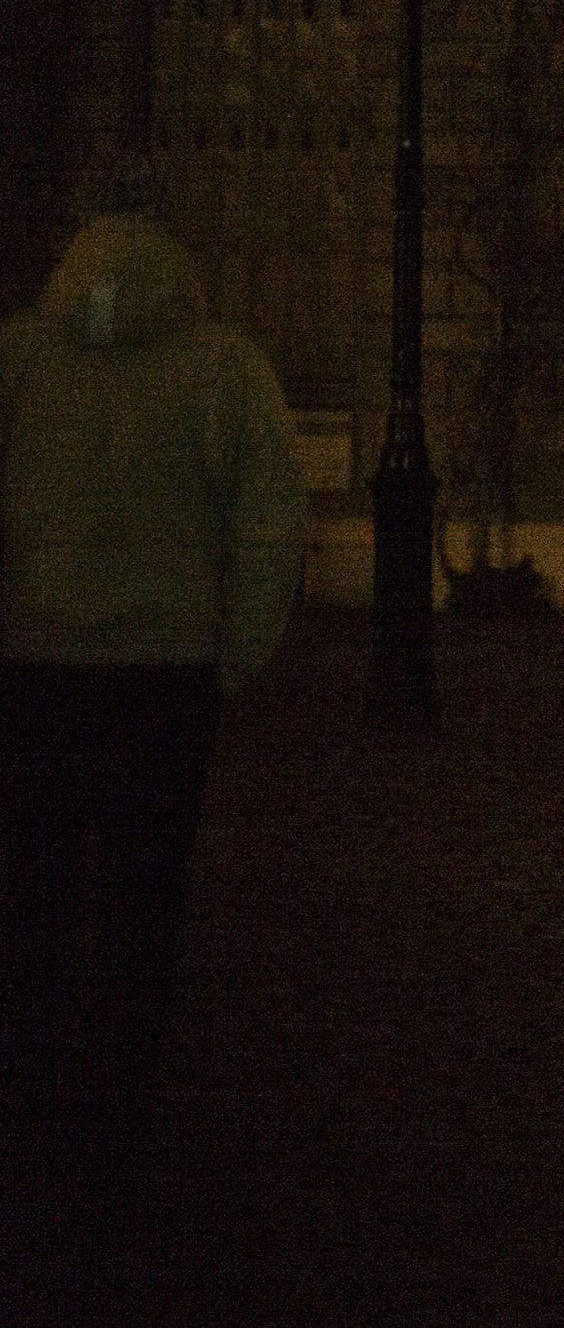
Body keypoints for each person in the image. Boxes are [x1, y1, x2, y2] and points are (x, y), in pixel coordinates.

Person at [2, 199, 307, 1153]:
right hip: (165, 677)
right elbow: (269, 525)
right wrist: (234, 655)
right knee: (144, 896)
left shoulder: (18, 361)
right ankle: (118, 1095)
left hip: (35, 667)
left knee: (34, 893)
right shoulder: (225, 372)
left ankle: (30, 1088)